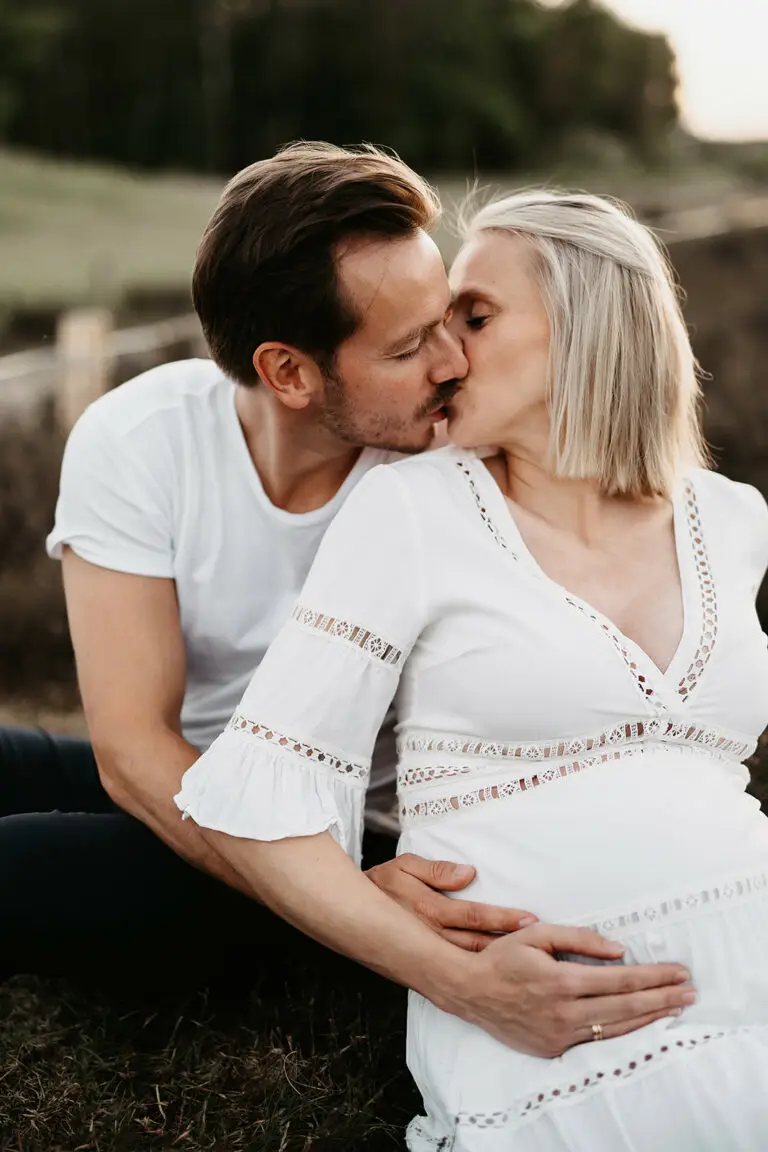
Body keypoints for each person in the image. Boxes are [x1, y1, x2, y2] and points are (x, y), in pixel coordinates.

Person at [0, 145, 691, 1049]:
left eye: (451, 320)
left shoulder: (461, 459)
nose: (452, 364)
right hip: (211, 784)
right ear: (288, 373)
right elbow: (134, 752)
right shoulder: (139, 439)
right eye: (409, 347)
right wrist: (337, 904)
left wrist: (361, 886)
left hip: (377, 831)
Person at [176, 189, 768, 1149]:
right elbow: (260, 801)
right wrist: (462, 983)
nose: (446, 355)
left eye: (476, 317)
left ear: (589, 328)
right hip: (551, 1052)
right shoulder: (412, 508)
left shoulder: (735, 521)